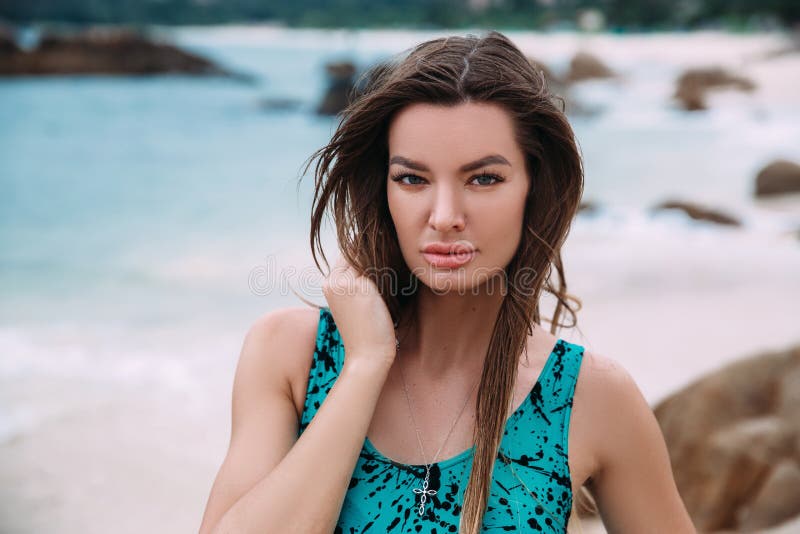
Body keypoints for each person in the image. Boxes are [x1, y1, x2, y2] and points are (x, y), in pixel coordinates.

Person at [198, 30, 696, 533]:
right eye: (412, 179)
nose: (444, 216)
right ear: (384, 189)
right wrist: (366, 365)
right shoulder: (293, 357)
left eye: (483, 179)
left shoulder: (587, 397)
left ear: (534, 188)